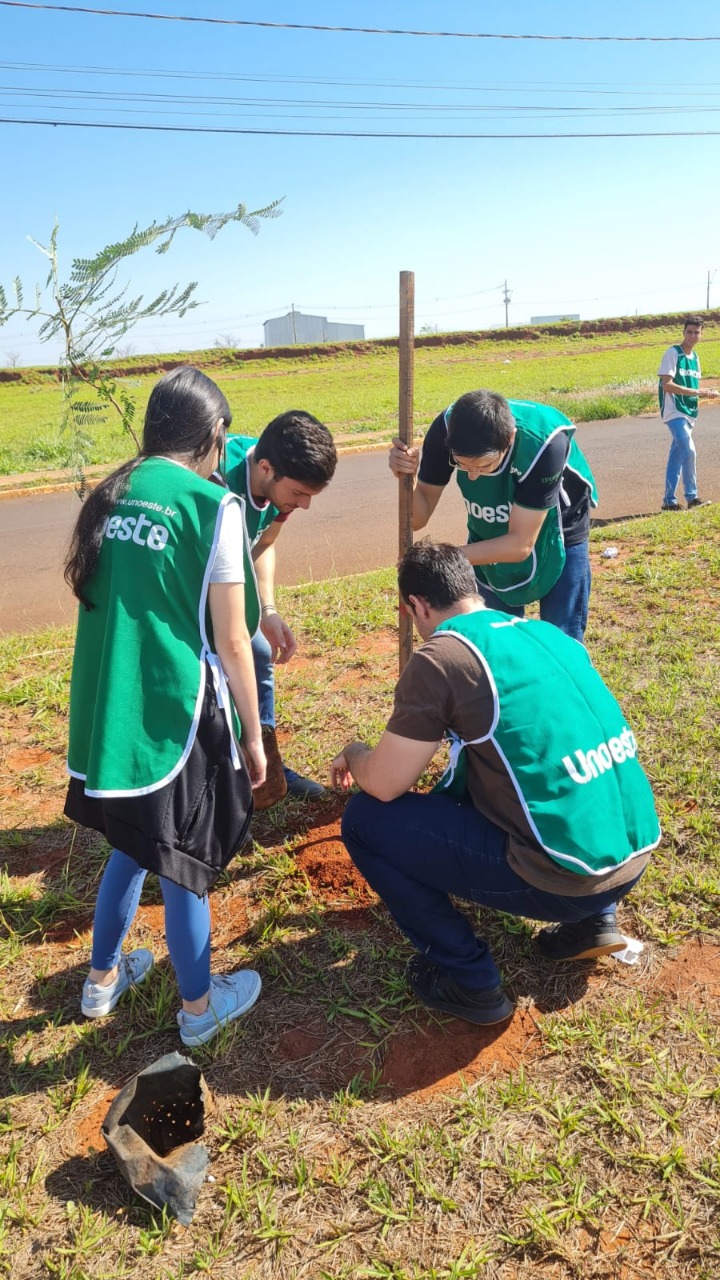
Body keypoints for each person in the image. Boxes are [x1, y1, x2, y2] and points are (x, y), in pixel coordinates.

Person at [331, 542, 660, 1027]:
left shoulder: (443, 654)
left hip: (566, 880)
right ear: (472, 587)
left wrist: (356, 753)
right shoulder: (547, 634)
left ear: (417, 606)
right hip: (632, 857)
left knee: (364, 820)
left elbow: (385, 783)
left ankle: (470, 980)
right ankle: (594, 922)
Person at [64, 367, 267, 1047]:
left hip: (107, 707)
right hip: (170, 710)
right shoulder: (214, 506)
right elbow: (235, 639)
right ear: (215, 436)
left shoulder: (111, 491)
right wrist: (251, 736)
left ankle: (100, 981)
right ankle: (200, 1009)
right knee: (182, 857)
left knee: (130, 842)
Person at [389, 391, 597, 642]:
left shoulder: (544, 443)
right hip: (490, 529)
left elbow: (520, 545)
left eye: (484, 465)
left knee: (561, 636)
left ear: (509, 439)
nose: (473, 476)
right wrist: (407, 477)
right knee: (495, 635)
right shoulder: (446, 431)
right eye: (462, 465)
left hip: (558, 529)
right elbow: (417, 519)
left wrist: (440, 561)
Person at [222, 411, 337, 806]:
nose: (303, 505)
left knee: (258, 651)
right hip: (182, 594)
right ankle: (222, 779)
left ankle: (265, 764)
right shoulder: (215, 477)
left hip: (227, 584)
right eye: (300, 493)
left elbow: (264, 543)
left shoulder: (277, 487)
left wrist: (267, 610)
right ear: (265, 468)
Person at [658, 316, 719, 511]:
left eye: (697, 332)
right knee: (689, 449)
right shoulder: (673, 353)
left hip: (690, 412)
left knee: (676, 456)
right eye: (690, 332)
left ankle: (669, 501)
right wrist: (697, 392)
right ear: (683, 332)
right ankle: (692, 498)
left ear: (701, 334)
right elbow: (667, 385)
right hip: (674, 410)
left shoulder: (696, 359)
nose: (693, 336)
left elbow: (694, 386)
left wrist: (705, 393)